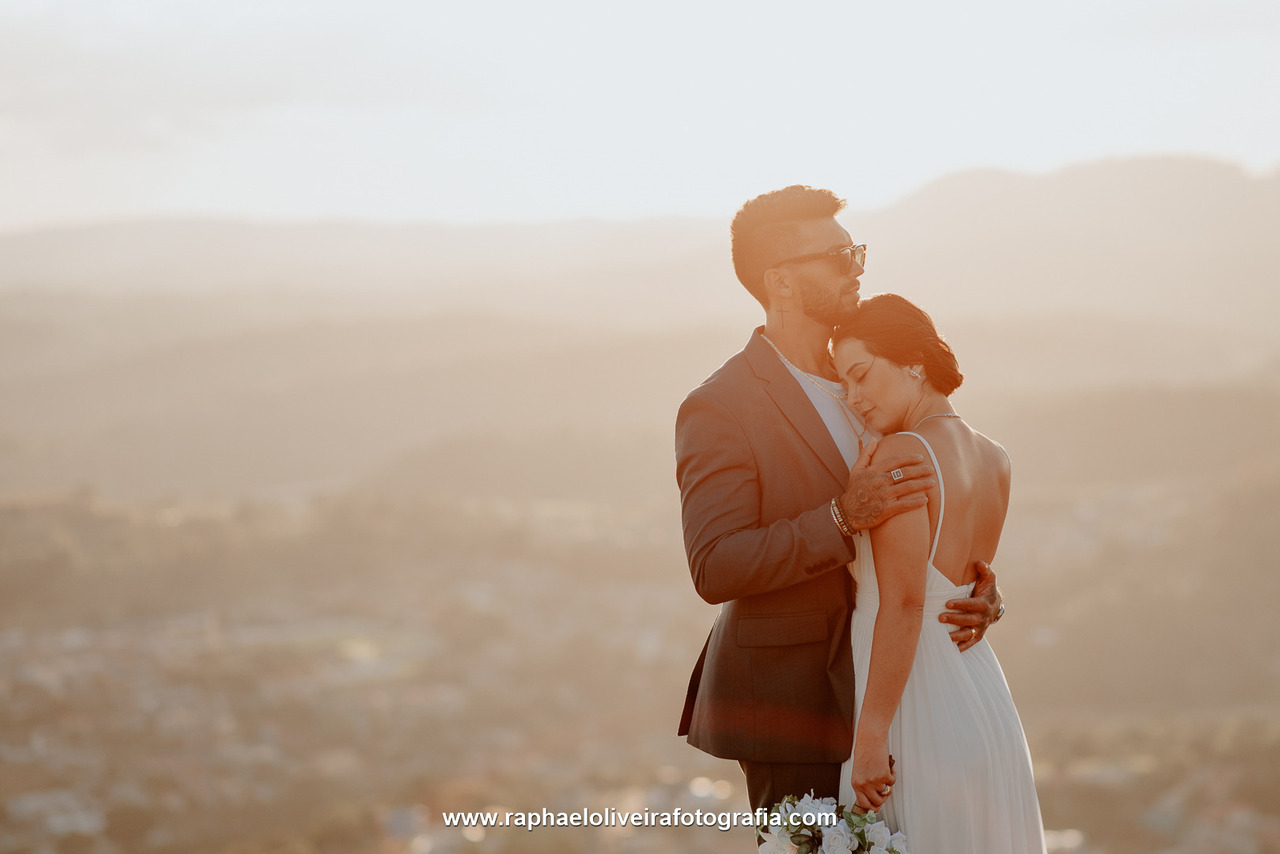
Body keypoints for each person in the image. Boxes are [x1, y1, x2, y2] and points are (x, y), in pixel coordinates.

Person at [674, 185, 1004, 817]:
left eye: (856, 251)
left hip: (902, 688)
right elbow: (715, 566)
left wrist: (971, 592)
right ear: (782, 283)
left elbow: (924, 517)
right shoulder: (721, 405)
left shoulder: (871, 372)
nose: (858, 267)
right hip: (793, 700)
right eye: (837, 256)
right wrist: (841, 518)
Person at [833, 293, 1045, 851]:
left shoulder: (902, 453)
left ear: (913, 362)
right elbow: (974, 578)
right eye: (844, 386)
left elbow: (906, 604)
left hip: (915, 701)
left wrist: (872, 734)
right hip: (979, 690)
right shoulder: (995, 457)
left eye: (860, 375)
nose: (853, 398)